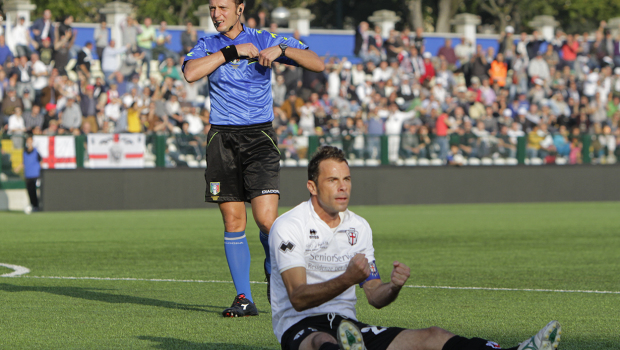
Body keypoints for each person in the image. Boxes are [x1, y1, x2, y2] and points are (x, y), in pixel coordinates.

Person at [269, 145, 562, 350]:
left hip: (348, 328)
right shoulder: (289, 225)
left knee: (432, 336)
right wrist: (347, 279)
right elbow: (298, 298)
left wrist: (393, 287)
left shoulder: (359, 227)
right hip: (301, 326)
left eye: (346, 179)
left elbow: (374, 295)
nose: (343, 187)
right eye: (333, 180)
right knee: (323, 342)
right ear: (312, 187)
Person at [182, 0, 325, 318]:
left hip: (259, 137)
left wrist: (281, 52)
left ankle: (278, 277)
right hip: (222, 140)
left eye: (222, 7)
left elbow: (317, 62)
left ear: (240, 8)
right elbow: (191, 73)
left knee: (265, 220)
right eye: (212, 8)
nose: (216, 14)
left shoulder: (266, 38)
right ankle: (243, 298)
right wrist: (232, 52)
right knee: (233, 222)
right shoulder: (207, 44)